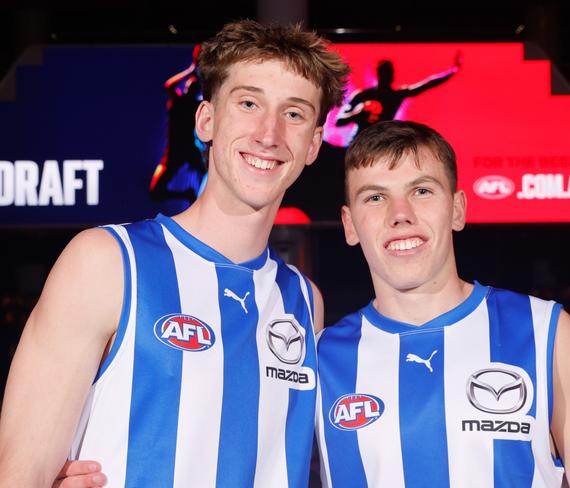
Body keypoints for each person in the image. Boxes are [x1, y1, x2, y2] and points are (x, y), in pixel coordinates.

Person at [0, 20, 349, 487]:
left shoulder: (305, 301)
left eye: (294, 114)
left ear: (313, 144)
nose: (270, 133)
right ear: (206, 120)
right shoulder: (106, 262)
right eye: (248, 104)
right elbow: (19, 475)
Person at [315, 120, 570, 487]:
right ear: (350, 225)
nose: (400, 214)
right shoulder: (320, 357)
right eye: (375, 197)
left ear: (457, 209)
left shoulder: (545, 332)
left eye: (422, 191)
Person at [335, 54, 461, 136]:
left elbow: (427, 84)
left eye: (389, 73)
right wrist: (357, 114)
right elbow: (339, 121)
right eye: (385, 73)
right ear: (378, 75)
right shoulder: (362, 96)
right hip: (357, 145)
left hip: (381, 145)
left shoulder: (396, 95)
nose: (388, 76)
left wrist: (453, 71)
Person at [149, 44, 207, 203]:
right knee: (155, 190)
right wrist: (191, 69)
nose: (190, 84)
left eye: (194, 85)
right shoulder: (179, 102)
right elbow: (169, 85)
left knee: (210, 177)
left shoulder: (198, 106)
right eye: (189, 83)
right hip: (175, 152)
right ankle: (188, 196)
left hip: (190, 151)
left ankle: (199, 201)